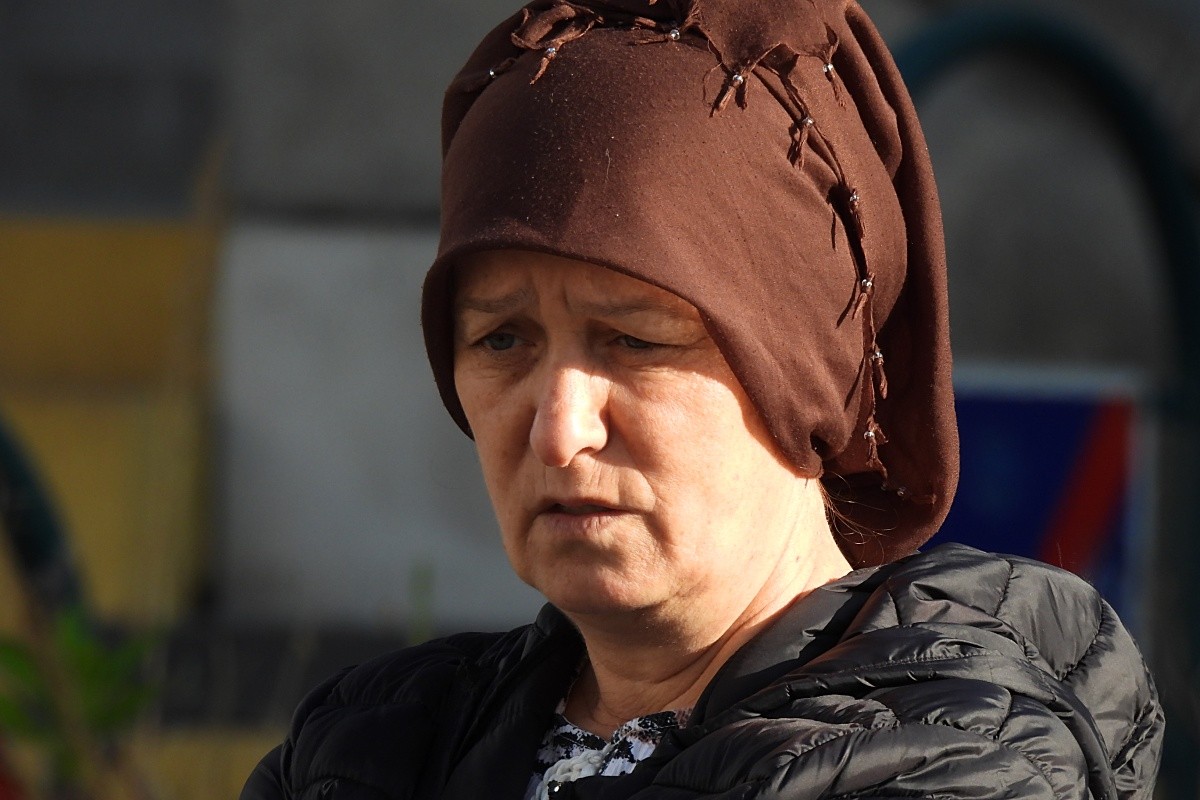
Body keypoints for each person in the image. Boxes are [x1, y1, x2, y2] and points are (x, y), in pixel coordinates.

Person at [241, 0, 1164, 797]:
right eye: (501, 340)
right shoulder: (368, 748)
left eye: (634, 340)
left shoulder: (947, 766)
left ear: (798, 375)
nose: (559, 431)